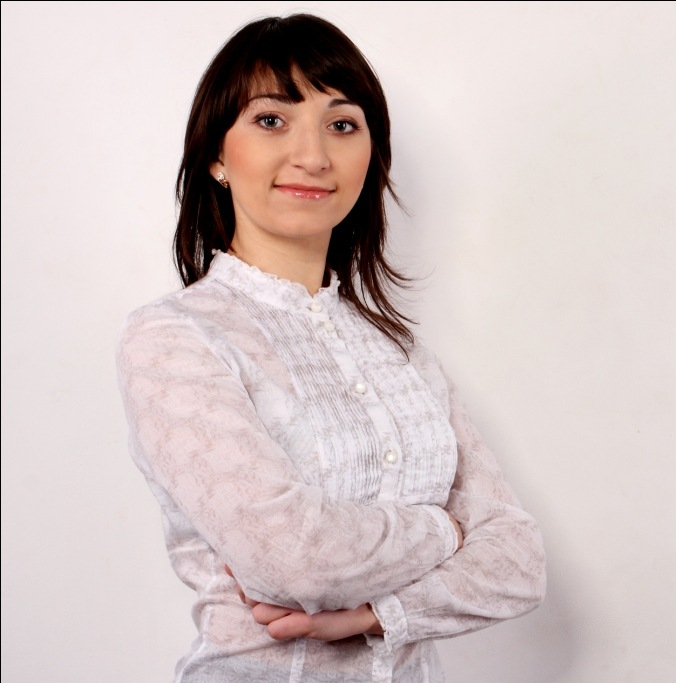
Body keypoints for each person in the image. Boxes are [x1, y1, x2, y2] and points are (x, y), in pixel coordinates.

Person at [115, 13, 546, 682]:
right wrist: (449, 529)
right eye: (271, 120)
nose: (313, 156)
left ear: (371, 155)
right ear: (216, 156)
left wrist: (379, 613)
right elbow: (295, 560)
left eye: (342, 124)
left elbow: (520, 563)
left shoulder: (399, 349)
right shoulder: (175, 337)